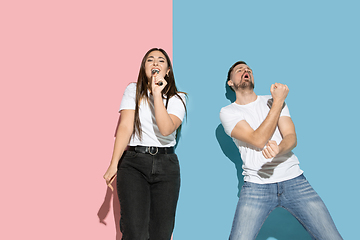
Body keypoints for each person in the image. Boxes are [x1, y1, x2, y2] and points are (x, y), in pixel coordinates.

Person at [220, 61, 343, 240]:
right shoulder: (228, 112)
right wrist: (278, 101)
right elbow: (258, 139)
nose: (245, 71)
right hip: (256, 186)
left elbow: (291, 137)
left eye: (248, 70)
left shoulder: (271, 101)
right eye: (239, 70)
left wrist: (279, 149)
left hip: (295, 180)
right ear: (230, 83)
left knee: (332, 237)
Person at [103, 48, 186, 240]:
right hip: (134, 163)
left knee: (161, 233)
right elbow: (125, 126)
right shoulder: (133, 90)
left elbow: (166, 129)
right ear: (144, 68)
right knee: (134, 232)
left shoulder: (178, 98)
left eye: (161, 60)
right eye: (150, 60)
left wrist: (157, 94)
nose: (155, 63)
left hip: (167, 166)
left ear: (168, 71)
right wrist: (113, 163)